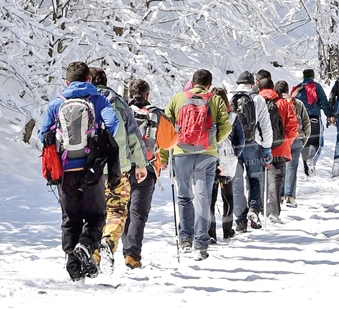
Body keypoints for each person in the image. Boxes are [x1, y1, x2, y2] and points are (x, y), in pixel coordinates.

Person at [39, 61, 120, 281]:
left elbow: (43, 135)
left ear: (67, 82)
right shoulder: (98, 100)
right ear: (89, 79)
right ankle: (85, 245)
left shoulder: (56, 104)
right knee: (96, 216)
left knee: (70, 219)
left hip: (66, 172)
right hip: (91, 168)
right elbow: (113, 124)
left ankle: (74, 270)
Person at [166, 69, 232, 260]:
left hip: (181, 153)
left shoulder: (178, 98)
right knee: (203, 198)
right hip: (206, 155)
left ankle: (185, 239)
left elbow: (166, 126)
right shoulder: (215, 99)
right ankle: (201, 244)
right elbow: (226, 127)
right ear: (209, 85)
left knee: (184, 196)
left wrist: (165, 152)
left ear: (192, 82)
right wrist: (213, 141)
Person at [89, 67, 149, 274]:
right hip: (118, 169)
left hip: (88, 171)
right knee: (116, 210)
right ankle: (108, 242)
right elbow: (133, 137)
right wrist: (141, 164)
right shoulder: (119, 103)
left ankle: (94, 253)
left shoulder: (82, 101)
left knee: (93, 214)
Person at [122, 79, 178, 268]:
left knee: (123, 210)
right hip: (147, 168)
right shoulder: (156, 115)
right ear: (147, 95)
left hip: (122, 167)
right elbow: (170, 142)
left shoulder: (121, 111)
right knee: (138, 212)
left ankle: (125, 248)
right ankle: (132, 255)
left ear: (129, 94)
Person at [229, 71, 273, 232]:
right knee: (255, 178)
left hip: (234, 147)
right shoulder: (258, 99)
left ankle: (240, 219)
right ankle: (254, 208)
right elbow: (265, 126)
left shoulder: (229, 97)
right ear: (251, 84)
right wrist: (267, 147)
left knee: (237, 183)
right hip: (253, 145)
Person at [257, 77, 298, 222]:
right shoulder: (283, 103)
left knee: (257, 179)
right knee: (275, 180)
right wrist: (286, 141)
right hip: (279, 148)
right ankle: (273, 212)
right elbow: (293, 126)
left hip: (258, 147)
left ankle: (257, 210)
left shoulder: (255, 102)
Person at [208, 87, 245, 243]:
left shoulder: (207, 115)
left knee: (210, 197)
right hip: (227, 161)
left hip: (209, 159)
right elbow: (240, 141)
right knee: (227, 196)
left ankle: (210, 233)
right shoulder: (233, 117)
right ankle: (227, 229)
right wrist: (234, 156)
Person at [276, 80, 310, 208]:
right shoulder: (297, 103)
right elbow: (306, 123)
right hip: (296, 139)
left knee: (281, 168)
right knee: (292, 168)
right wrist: (303, 140)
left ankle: (280, 196)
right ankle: (290, 197)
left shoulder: (276, 103)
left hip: (281, 140)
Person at [292, 69, 333, 177]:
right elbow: (324, 101)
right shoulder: (316, 86)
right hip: (314, 117)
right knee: (318, 142)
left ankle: (307, 169)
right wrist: (329, 115)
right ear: (313, 76)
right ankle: (312, 160)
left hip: (300, 119)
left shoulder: (298, 88)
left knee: (305, 143)